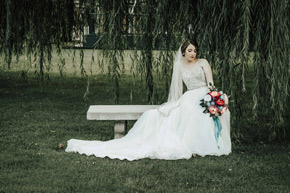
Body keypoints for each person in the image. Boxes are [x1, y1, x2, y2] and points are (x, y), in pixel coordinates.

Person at [65, 39, 231, 160]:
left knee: (200, 112)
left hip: (205, 94)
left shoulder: (203, 62)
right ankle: (190, 144)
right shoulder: (179, 66)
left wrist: (214, 96)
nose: (193, 53)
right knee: (183, 112)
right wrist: (174, 104)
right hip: (189, 96)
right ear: (183, 52)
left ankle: (207, 144)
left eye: (194, 50)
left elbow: (210, 83)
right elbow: (179, 90)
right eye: (189, 51)